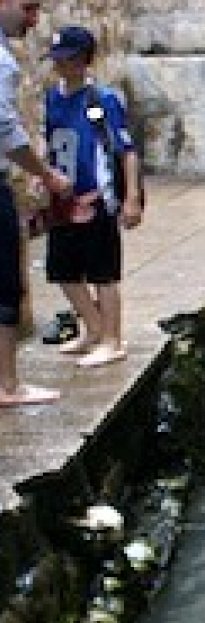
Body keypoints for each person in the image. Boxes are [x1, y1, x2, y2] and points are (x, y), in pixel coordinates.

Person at [42, 24, 141, 368]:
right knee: (63, 270)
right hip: (64, 199)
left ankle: (112, 339)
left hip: (97, 198)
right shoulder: (52, 97)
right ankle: (93, 328)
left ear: (84, 61)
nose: (60, 66)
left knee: (102, 272)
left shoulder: (102, 101)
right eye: (57, 59)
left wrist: (130, 199)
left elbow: (126, 150)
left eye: (67, 59)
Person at [0, 0, 71, 407]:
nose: (34, 19)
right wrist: (45, 174)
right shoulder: (3, 63)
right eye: (27, 7)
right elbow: (5, 129)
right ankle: (8, 384)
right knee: (6, 282)